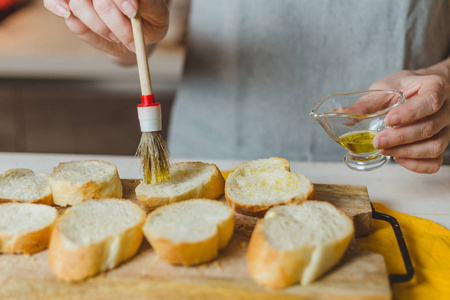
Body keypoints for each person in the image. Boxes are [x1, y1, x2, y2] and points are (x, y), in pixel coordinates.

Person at [43, 0, 450, 174]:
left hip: (410, 171)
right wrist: (114, 21)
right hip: (214, 161)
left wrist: (445, 82)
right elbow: (151, 24)